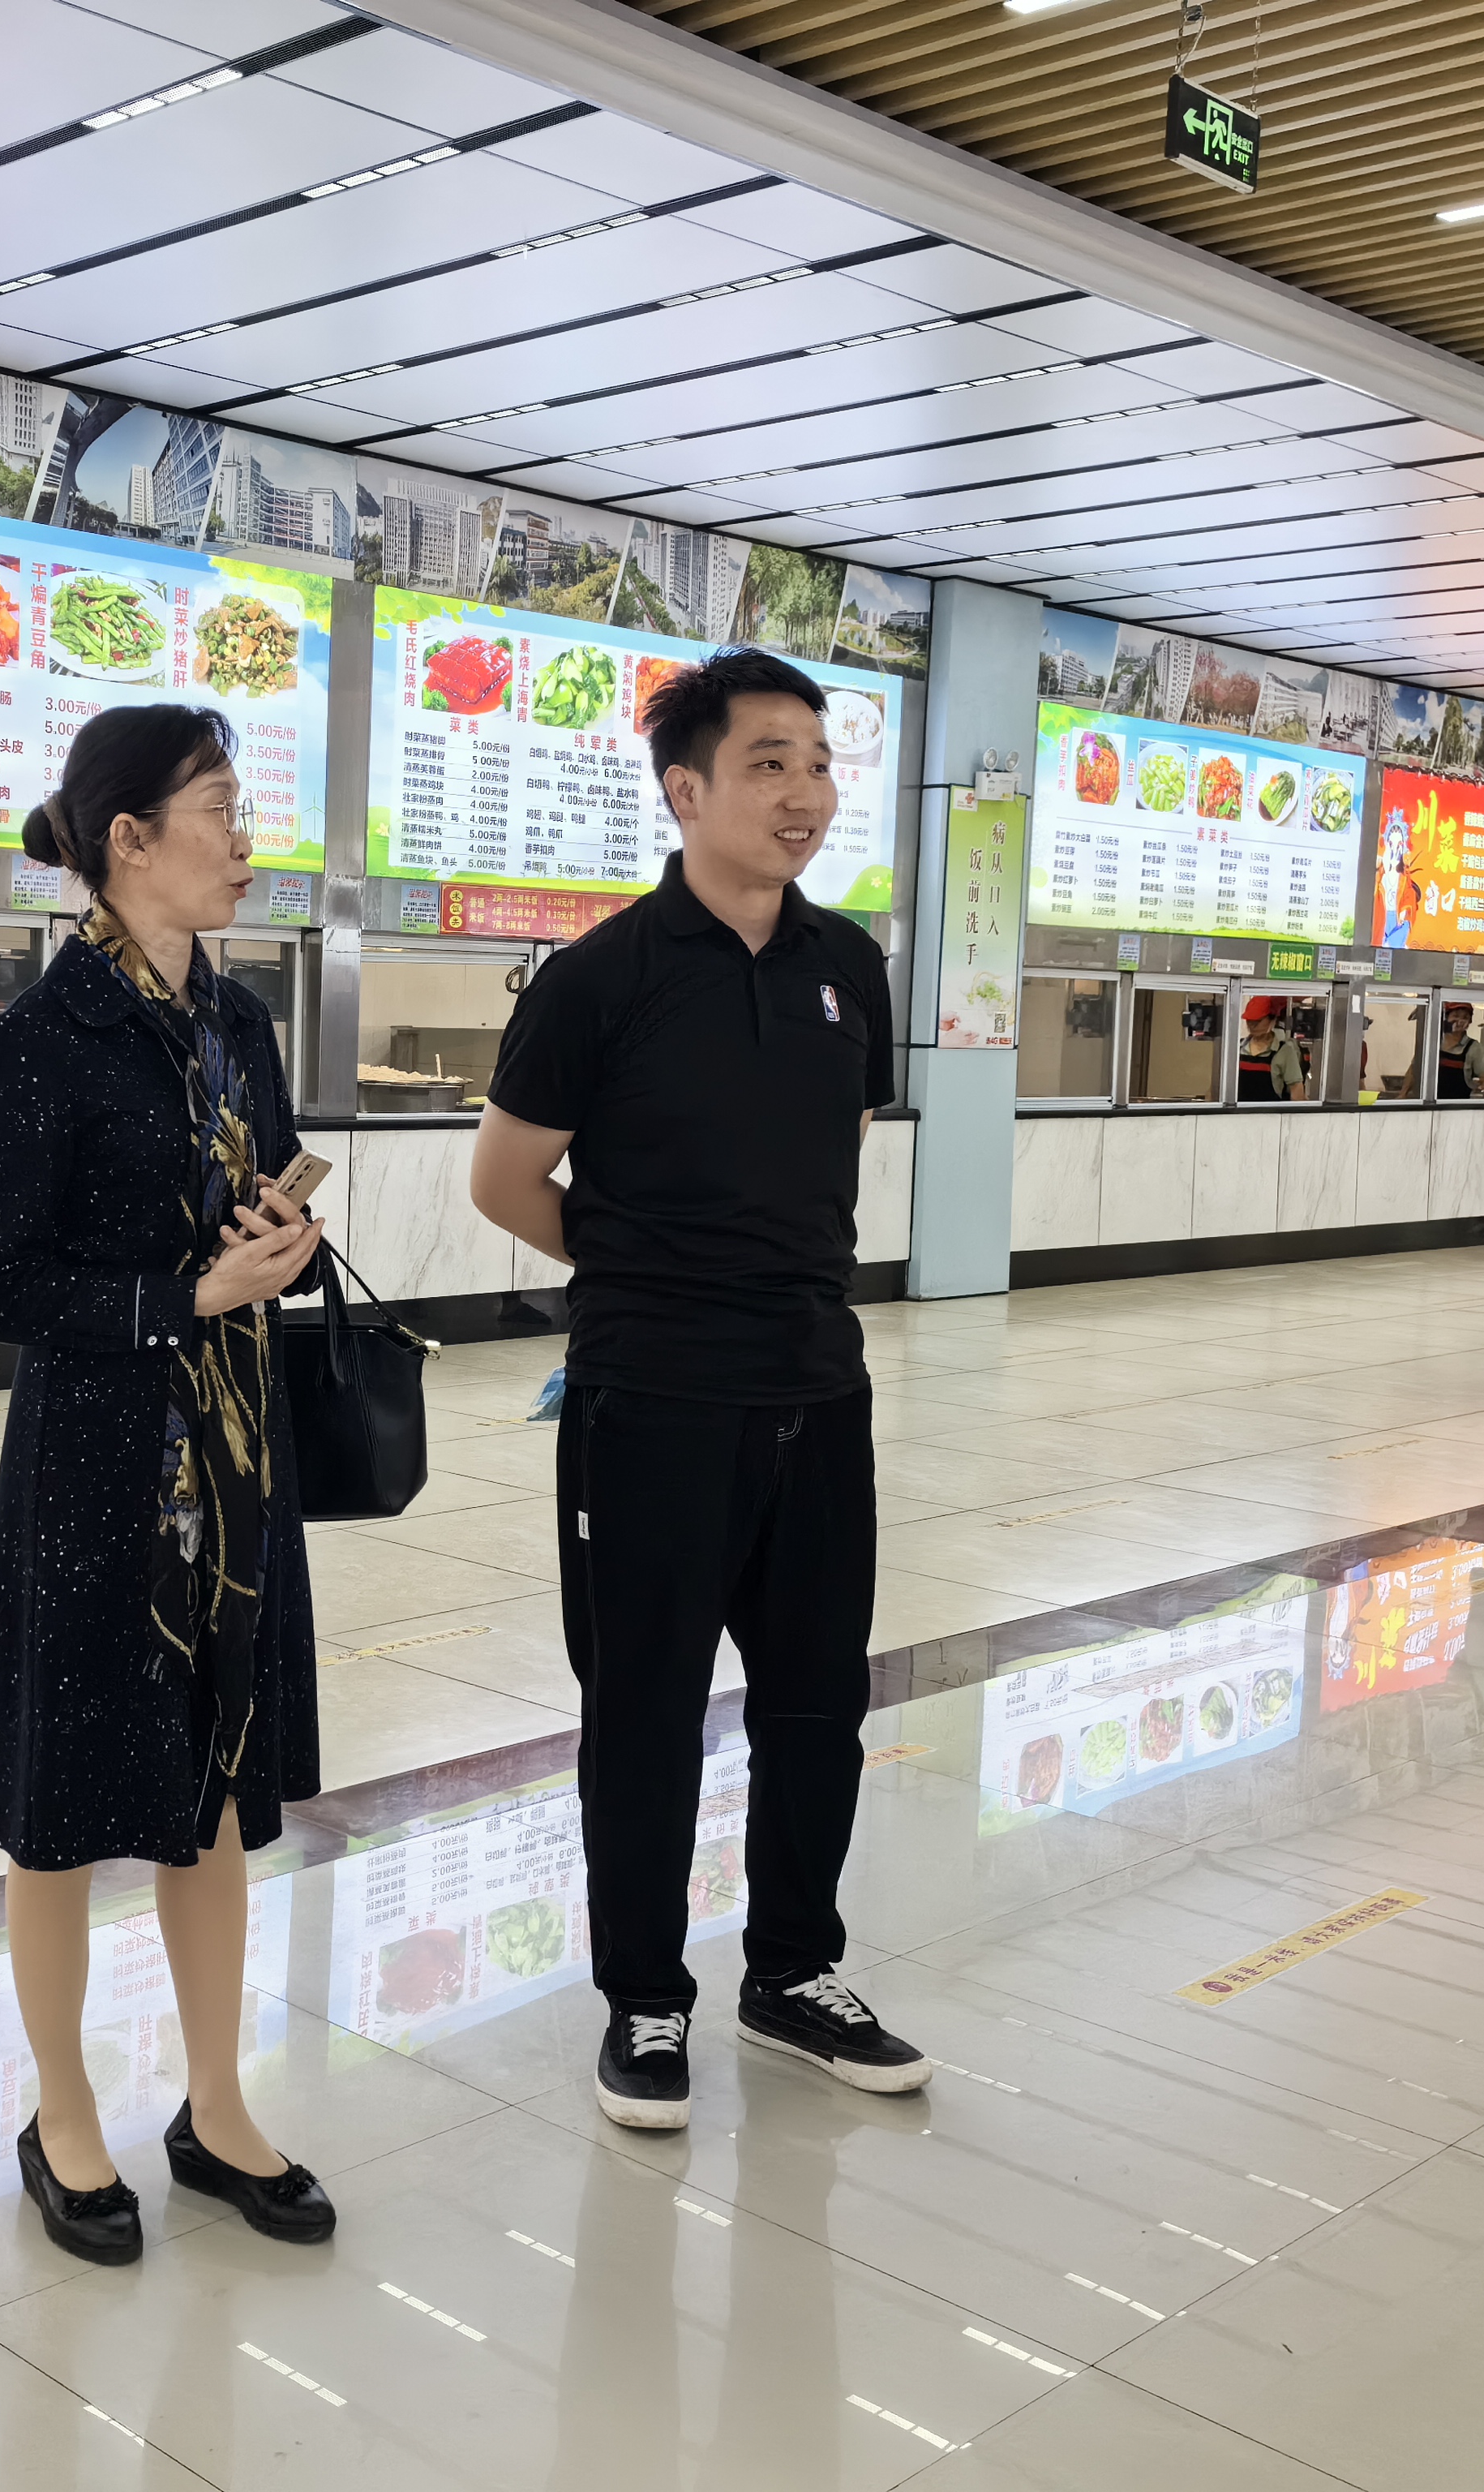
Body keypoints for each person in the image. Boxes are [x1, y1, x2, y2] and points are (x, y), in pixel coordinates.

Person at [468, 647, 924, 2131]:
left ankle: (792, 1970)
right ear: (686, 789)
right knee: (647, 1712)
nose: (804, 793)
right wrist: (647, 1272)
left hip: (818, 1393)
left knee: (817, 1705)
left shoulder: (849, 967)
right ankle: (644, 1997)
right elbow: (504, 1180)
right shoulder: (600, 979)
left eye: (818, 763)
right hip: (650, 1402)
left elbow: (833, 1153)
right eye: (767, 763)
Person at [0, 703, 338, 2266]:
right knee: (59, 1809)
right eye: (220, 811)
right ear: (128, 840)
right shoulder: (36, 1045)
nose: (245, 843)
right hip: (96, 1468)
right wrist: (180, 1296)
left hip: (235, 1465)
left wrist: (282, 1238)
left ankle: (217, 2105)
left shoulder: (239, 1022)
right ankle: (62, 2111)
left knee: (215, 1788)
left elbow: (267, 1181)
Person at [1438, 1001, 1484, 1099]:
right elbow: (1414, 1071)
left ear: (1469, 1023)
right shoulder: (1433, 1043)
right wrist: (1405, 1094)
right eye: (1456, 1016)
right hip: (1431, 1103)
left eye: (1465, 1018)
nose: (1460, 1021)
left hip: (1460, 1105)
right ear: (1446, 1018)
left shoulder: (1474, 1048)